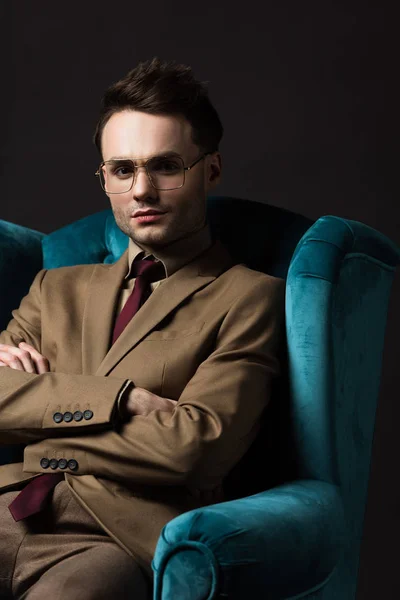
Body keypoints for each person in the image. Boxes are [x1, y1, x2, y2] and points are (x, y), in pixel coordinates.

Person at [0, 57, 286, 599]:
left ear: (211, 169)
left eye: (166, 166)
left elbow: (196, 448)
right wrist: (123, 399)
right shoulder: (54, 287)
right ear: (105, 177)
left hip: (113, 539)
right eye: (123, 169)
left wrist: (39, 425)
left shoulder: (251, 297)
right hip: (7, 508)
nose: (142, 190)